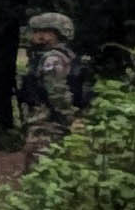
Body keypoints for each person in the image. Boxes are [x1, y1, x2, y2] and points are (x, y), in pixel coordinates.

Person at [15, 11, 91, 163]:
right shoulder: (53, 56)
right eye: (36, 31)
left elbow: (57, 92)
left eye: (44, 31)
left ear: (57, 33)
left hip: (49, 123)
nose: (37, 35)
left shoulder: (53, 58)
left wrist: (70, 118)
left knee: (40, 169)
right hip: (50, 121)